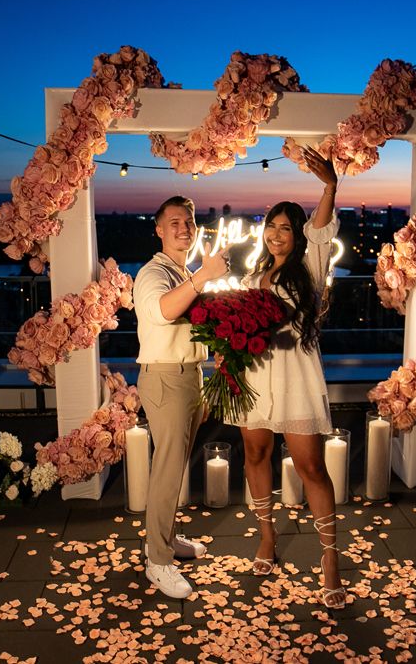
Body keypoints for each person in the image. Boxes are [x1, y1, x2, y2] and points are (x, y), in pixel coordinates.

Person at [228, 147, 346, 609]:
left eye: (285, 228)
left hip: (294, 376)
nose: (276, 234)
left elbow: (321, 228)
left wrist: (330, 186)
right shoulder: (258, 271)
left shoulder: (311, 268)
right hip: (255, 375)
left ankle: (330, 558)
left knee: (311, 467)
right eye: (271, 226)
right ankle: (267, 538)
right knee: (255, 453)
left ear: (297, 235)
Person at [134, 195, 229, 599]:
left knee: (175, 466)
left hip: (190, 376)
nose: (183, 228)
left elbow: (193, 323)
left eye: (188, 221)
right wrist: (204, 276)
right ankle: (157, 561)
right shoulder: (153, 273)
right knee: (167, 470)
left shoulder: (182, 271)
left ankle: (166, 539)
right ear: (159, 230)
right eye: (174, 222)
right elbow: (162, 311)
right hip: (165, 379)